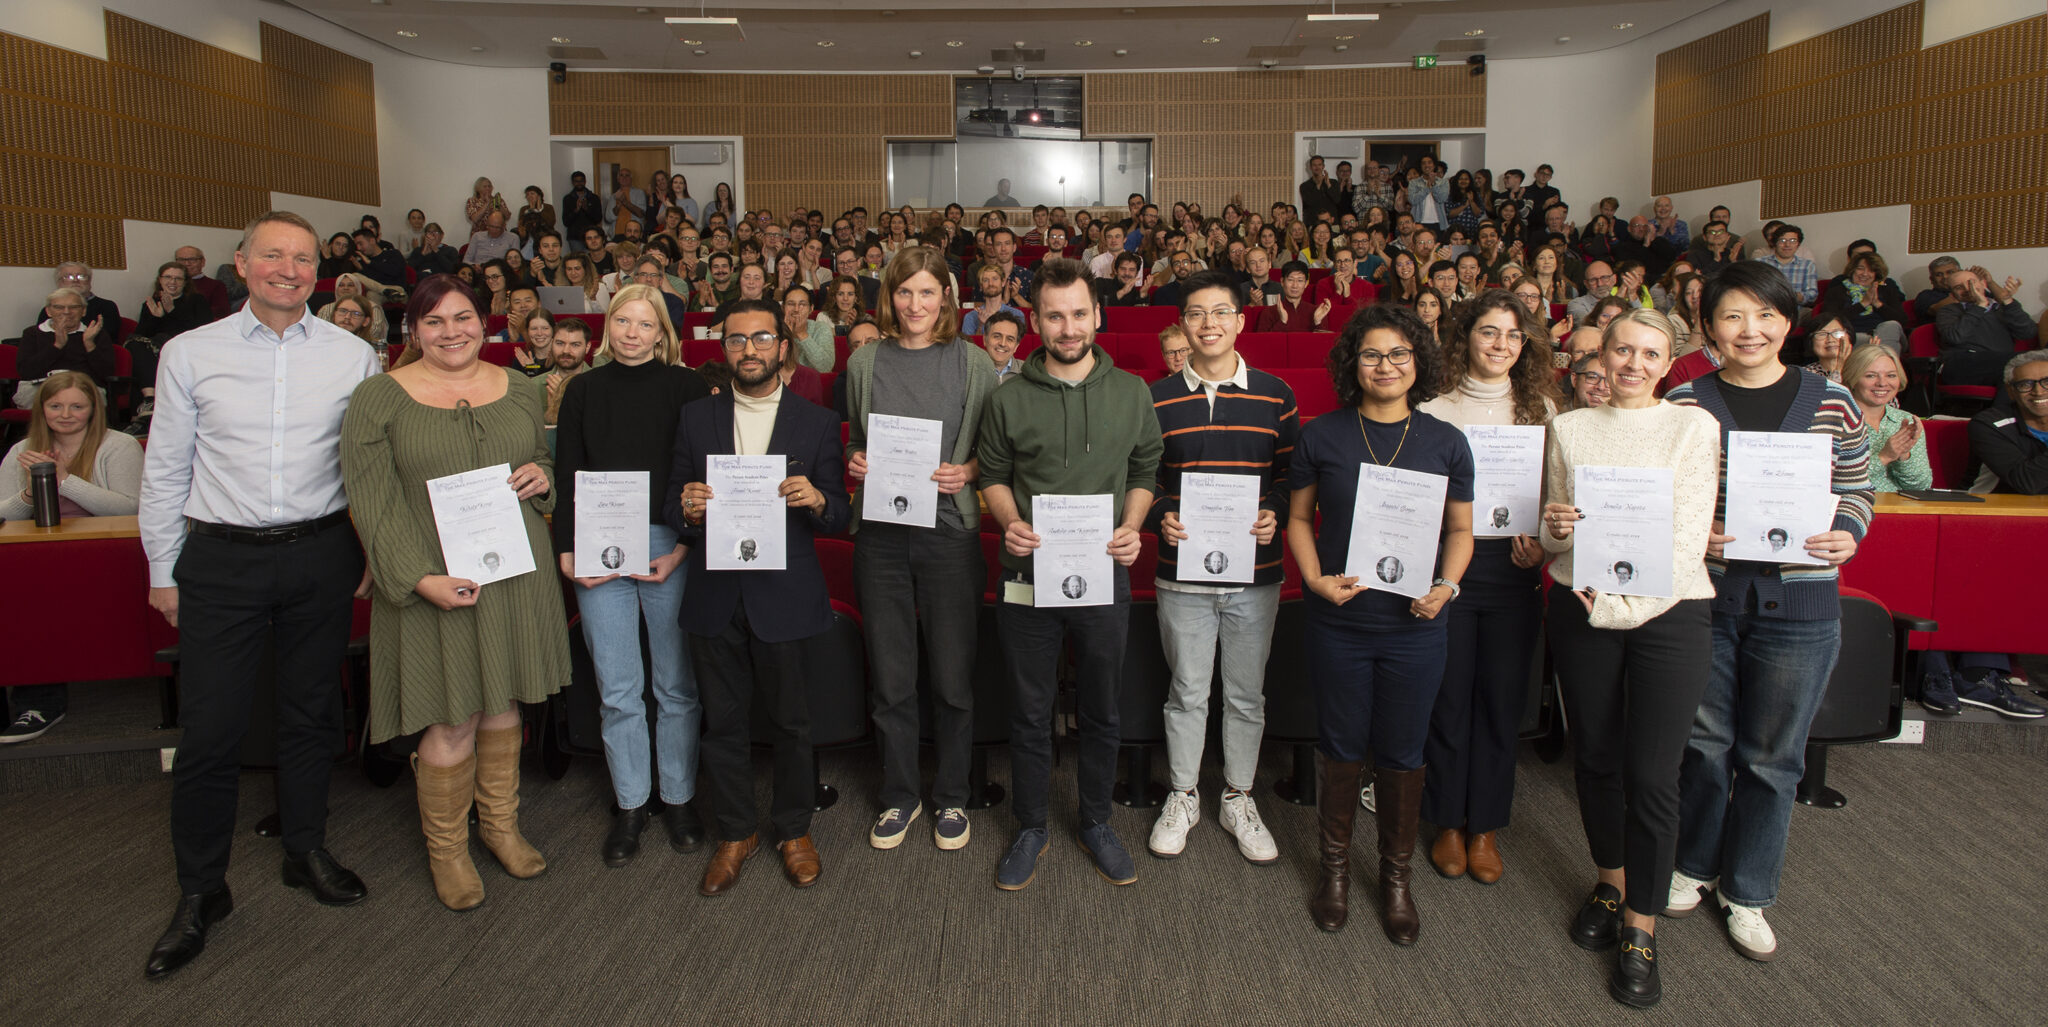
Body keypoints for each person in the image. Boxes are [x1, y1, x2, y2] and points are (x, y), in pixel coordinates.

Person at [136, 212, 383, 978]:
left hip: (318, 554)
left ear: (321, 272)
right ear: (241, 263)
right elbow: (165, 471)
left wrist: (372, 552)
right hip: (221, 560)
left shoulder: (355, 356)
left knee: (312, 713)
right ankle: (201, 890)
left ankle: (304, 848)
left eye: (302, 258)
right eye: (272, 254)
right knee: (210, 730)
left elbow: (368, 469)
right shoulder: (188, 352)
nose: (288, 268)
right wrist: (161, 570)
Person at [1662, 261, 1873, 964]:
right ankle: (1693, 862)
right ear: (1708, 325)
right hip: (1708, 596)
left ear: (1788, 322)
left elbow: (1857, 486)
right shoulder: (1686, 399)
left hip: (1803, 599)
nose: (1748, 330)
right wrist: (1694, 530)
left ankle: (1748, 889)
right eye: (1731, 316)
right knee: (1705, 743)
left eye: (1764, 315)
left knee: (1773, 755)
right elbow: (1665, 491)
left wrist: (1850, 527)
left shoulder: (1833, 399)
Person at [339, 273, 565, 911]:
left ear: (485, 322)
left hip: (513, 570)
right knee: (452, 714)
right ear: (413, 331)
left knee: (503, 704)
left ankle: (500, 827)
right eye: (434, 322)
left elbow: (545, 468)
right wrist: (417, 578)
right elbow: (372, 502)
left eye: (462, 317)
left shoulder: (520, 390)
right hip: (432, 577)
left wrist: (537, 476)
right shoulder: (378, 398)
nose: (451, 332)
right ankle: (448, 849)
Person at [1538, 309, 1721, 1008]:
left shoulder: (1693, 426)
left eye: (1650, 353)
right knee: (1597, 759)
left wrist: (1616, 605)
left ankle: (1643, 924)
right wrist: (1555, 530)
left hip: (1668, 613)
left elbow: (1687, 538)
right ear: (1600, 355)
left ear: (1668, 361)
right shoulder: (1570, 426)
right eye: (1623, 350)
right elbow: (1556, 530)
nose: (1635, 363)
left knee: (1652, 774)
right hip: (1580, 608)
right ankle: (1611, 883)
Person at [977, 258, 1164, 891]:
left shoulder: (1133, 392)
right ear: (1035, 320)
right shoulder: (1008, 398)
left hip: (1103, 572)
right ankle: (1031, 826)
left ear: (1097, 315)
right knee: (1029, 711)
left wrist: (1133, 525)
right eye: (1054, 315)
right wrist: (1007, 520)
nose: (1068, 326)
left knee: (1102, 708)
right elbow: (994, 476)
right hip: (1027, 574)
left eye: (1078, 313)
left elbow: (1145, 471)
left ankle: (1096, 822)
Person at [1289, 303, 1473, 942]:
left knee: (1402, 750)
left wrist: (1446, 588)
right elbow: (1300, 520)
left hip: (1416, 625)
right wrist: (1313, 578)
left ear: (1418, 361)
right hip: (1339, 619)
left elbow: (1460, 530)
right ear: (1352, 364)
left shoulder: (1447, 440)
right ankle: (1334, 871)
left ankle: (1396, 879)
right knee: (1340, 745)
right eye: (1371, 354)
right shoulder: (1323, 434)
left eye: (1398, 353)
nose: (1385, 365)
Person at [667, 299, 850, 896]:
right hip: (715, 591)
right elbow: (672, 506)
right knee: (722, 723)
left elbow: (840, 515)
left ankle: (794, 829)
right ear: (723, 350)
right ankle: (736, 831)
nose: (749, 349)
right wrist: (689, 507)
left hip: (786, 592)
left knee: (793, 722)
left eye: (762, 338)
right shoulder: (697, 417)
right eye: (737, 340)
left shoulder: (816, 422)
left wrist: (819, 500)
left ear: (783, 348)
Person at [841, 247, 998, 852]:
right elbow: (856, 439)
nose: (915, 305)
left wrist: (969, 471)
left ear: (946, 300)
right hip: (879, 538)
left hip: (948, 536)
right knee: (891, 676)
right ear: (890, 297)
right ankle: (900, 796)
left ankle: (952, 796)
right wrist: (856, 461)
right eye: (905, 292)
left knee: (954, 676)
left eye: (927, 293)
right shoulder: (863, 361)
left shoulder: (974, 362)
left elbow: (993, 450)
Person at [553, 285, 712, 865]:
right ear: (608, 324)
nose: (632, 332)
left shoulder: (686, 387)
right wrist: (568, 550)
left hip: (666, 543)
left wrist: (687, 547)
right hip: (597, 543)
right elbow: (567, 469)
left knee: (675, 683)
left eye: (645, 324)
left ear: (662, 333)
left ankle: (678, 797)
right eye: (623, 320)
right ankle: (630, 803)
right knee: (618, 686)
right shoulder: (583, 388)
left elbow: (701, 472)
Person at [1144, 270, 1297, 865]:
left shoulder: (1275, 393)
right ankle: (1183, 795)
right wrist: (1161, 514)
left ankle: (1238, 795)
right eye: (1197, 314)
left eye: (1221, 313)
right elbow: (1144, 478)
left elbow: (1289, 477)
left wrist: (1274, 512)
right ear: (1183, 323)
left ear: (1240, 320)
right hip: (1181, 571)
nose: (1209, 324)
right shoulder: (1154, 398)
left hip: (1254, 572)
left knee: (1245, 693)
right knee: (1186, 691)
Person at [1417, 289, 1559, 887]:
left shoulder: (1543, 410)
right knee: (1448, 700)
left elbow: (1557, 497)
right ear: (1464, 337)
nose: (1500, 345)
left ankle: (1486, 826)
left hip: (1511, 570)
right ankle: (1448, 820)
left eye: (1512, 336)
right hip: (1447, 569)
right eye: (1488, 333)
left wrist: (1542, 545)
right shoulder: (1434, 409)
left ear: (1524, 346)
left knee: (1500, 703)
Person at [0, 372, 145, 744]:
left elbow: (131, 509)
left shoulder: (118, 446)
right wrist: (31, 495)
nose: (65, 414)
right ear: (41, 408)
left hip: (102, 556)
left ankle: (40, 700)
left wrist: (65, 480)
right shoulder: (21, 451)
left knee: (34, 598)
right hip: (34, 556)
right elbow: (2, 515)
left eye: (76, 406)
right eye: (55, 406)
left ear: (93, 409)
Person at [1934, 266, 2035, 387]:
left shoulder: (2001, 308)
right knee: (2018, 364)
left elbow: (2028, 333)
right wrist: (1979, 306)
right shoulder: (1948, 311)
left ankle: (2001, 406)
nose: (1968, 289)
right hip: (1962, 364)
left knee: (2026, 368)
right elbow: (1956, 337)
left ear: (1983, 284)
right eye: (1959, 287)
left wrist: (2008, 301)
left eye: (1971, 283)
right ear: (1953, 295)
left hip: (2001, 363)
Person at [1968, 350, 2048, 495]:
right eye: (2025, 385)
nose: (2039, 391)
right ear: (2010, 391)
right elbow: (2026, 482)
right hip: (1998, 510)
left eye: (2047, 382)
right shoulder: (1989, 425)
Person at [15, 289, 114, 405]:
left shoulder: (96, 334)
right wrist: (57, 346)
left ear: (83, 311)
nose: (66, 312)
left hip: (83, 387)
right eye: (59, 307)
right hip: (41, 386)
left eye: (74, 307)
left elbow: (106, 373)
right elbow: (26, 371)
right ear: (48, 311)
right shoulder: (32, 333)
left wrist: (89, 344)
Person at [1823, 252, 1906, 350]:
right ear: (1852, 269)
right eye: (1860, 268)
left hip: (1884, 335)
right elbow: (1829, 321)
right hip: (1854, 335)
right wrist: (1863, 304)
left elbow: (1902, 320)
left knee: (1891, 326)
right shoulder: (1837, 291)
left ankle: (1881, 359)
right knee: (1857, 338)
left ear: (1876, 274)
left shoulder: (1886, 289)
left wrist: (1877, 303)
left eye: (1871, 270)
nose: (1865, 274)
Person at [533, 317, 591, 427]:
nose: (566, 350)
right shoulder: (534, 385)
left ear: (587, 347)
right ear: (551, 343)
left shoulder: (600, 384)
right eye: (559, 343)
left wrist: (564, 399)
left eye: (575, 345)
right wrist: (551, 413)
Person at [136, 261, 212, 341]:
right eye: (168, 277)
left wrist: (172, 311)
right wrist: (156, 318)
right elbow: (141, 335)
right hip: (157, 348)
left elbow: (202, 332)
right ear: (160, 280)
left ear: (185, 282)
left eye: (178, 278)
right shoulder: (153, 303)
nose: (172, 282)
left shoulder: (197, 300)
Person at [1251, 261, 1330, 333]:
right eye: (1290, 280)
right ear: (1282, 282)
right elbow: (1263, 344)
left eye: (1300, 280)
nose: (1295, 286)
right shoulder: (1268, 312)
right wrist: (1282, 322)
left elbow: (1323, 345)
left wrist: (1318, 322)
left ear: (1306, 284)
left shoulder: (1317, 312)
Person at [983, 310, 1025, 381]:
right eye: (997, 336)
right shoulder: (971, 370)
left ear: (1016, 346)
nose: (1002, 344)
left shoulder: (1027, 372)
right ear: (985, 340)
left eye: (1010, 339)